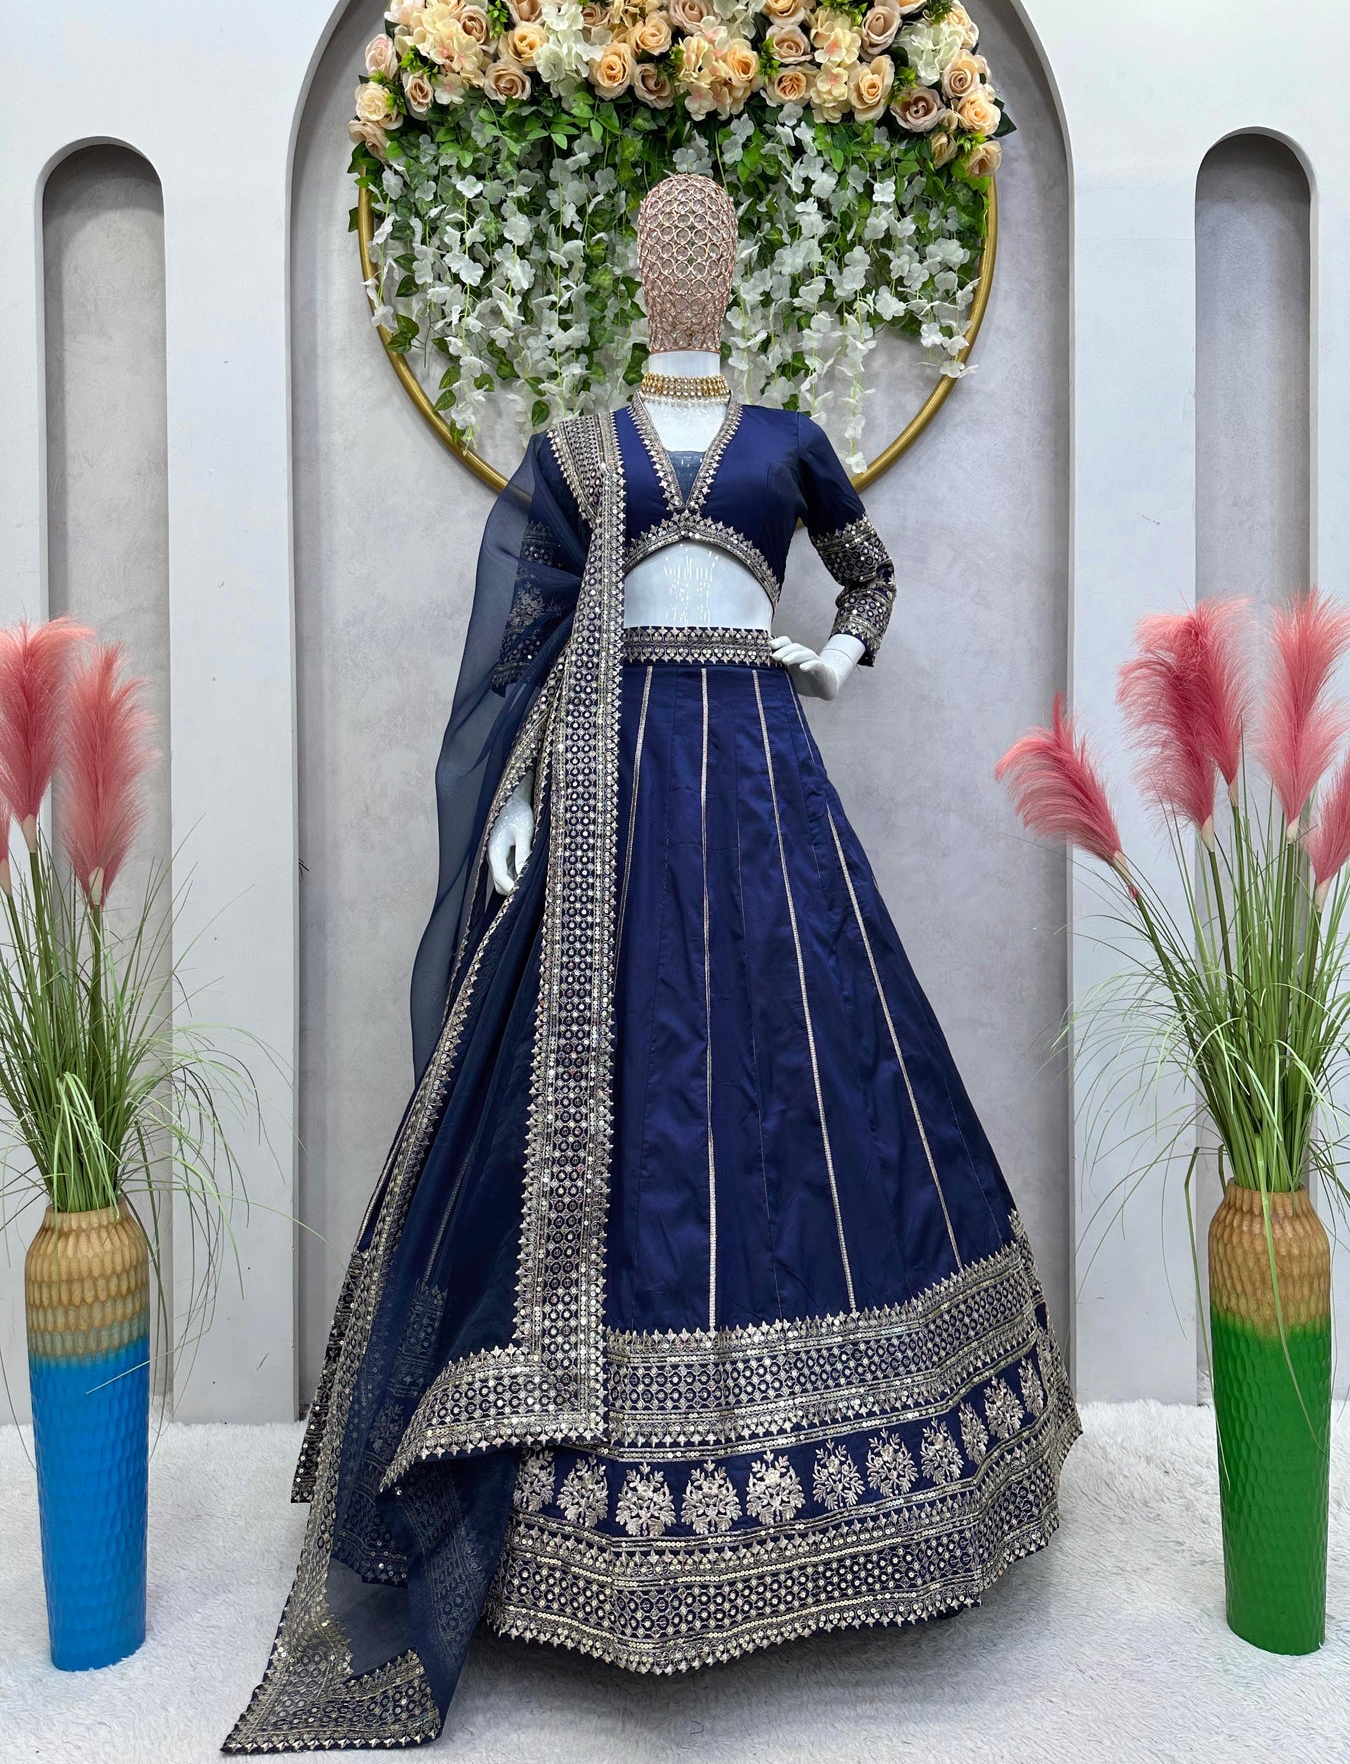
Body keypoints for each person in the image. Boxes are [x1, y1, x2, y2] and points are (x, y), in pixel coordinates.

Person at [225, 173, 1078, 1754]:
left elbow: (869, 572)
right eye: (664, 249)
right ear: (636, 271)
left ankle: (861, 1493)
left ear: (732, 271)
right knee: (605, 1090)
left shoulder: (785, 441)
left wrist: (833, 656)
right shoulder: (576, 452)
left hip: (757, 773)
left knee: (800, 1075)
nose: (686, 268)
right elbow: (530, 646)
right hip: (606, 790)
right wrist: (515, 807)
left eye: (707, 248)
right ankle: (558, 1502)